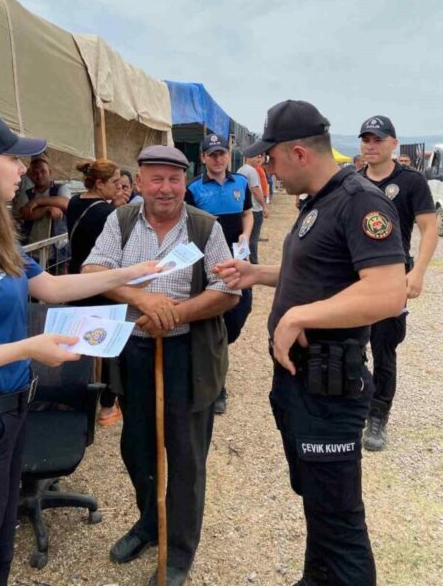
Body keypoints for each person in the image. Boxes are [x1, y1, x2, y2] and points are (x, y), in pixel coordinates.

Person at [0, 110, 157, 586]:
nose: (24, 169)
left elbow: (52, 290)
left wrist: (131, 273)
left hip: (7, 419)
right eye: (13, 159)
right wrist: (27, 347)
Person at [214, 100, 407, 586]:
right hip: (301, 382)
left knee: (341, 522)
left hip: (330, 383)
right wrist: (259, 274)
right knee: (319, 503)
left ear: (298, 152)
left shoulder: (361, 200)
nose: (268, 170)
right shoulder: (320, 201)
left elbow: (388, 291)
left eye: (271, 159)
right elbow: (321, 272)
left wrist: (301, 314)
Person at [82, 145, 240, 586]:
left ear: (185, 181)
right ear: (139, 180)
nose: (165, 189)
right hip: (133, 350)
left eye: (174, 179)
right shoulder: (122, 220)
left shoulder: (205, 228)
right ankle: (151, 524)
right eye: (156, 179)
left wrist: (175, 313)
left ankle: (179, 551)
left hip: (188, 354)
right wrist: (140, 298)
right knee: (138, 447)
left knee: (186, 457)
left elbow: (228, 291)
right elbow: (94, 267)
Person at [358, 115, 437, 450]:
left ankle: (378, 417)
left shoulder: (411, 181)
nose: (371, 146)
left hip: (392, 276)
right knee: (350, 343)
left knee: (384, 347)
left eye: (378, 139)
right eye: (366, 140)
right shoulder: (352, 180)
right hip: (353, 277)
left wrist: (417, 272)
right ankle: (357, 402)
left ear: (393, 143)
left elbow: (429, 228)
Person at [185, 133, 253, 414]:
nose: (218, 158)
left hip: (238, 260)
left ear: (228, 154)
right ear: (203, 158)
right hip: (209, 265)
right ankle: (217, 385)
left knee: (240, 312)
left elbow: (248, 212)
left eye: (221, 153)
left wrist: (247, 236)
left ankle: (221, 345)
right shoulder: (194, 189)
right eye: (212, 154)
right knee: (214, 321)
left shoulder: (242, 183)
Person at [66, 159, 125, 426]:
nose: (119, 187)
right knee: (108, 343)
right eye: (114, 182)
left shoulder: (74, 203)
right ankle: (108, 406)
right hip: (102, 284)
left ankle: (78, 399)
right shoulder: (108, 214)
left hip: (78, 283)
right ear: (100, 184)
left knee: (82, 344)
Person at [17, 155, 71, 272]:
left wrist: (37, 202)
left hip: (57, 248)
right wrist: (47, 209)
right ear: (30, 175)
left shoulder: (60, 188)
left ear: (50, 172)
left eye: (43, 171)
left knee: (59, 281)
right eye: (35, 173)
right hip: (33, 247)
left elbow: (67, 204)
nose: (39, 175)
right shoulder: (26, 193)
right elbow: (25, 214)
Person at [237, 153, 270, 264]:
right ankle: (254, 262)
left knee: (244, 236)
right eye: (257, 157)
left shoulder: (240, 170)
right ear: (248, 158)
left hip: (243, 209)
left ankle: (242, 260)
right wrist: (264, 206)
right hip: (254, 209)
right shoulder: (251, 171)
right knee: (253, 238)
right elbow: (255, 190)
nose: (259, 159)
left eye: (260, 157)